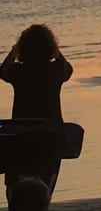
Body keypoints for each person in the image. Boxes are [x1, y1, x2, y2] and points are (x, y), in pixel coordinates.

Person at [0, 26, 73, 198]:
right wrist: (56, 51)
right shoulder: (55, 70)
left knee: (17, 181)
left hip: (22, 132)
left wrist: (14, 51)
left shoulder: (19, 71)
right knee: (45, 183)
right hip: (51, 133)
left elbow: (3, 71)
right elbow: (68, 68)